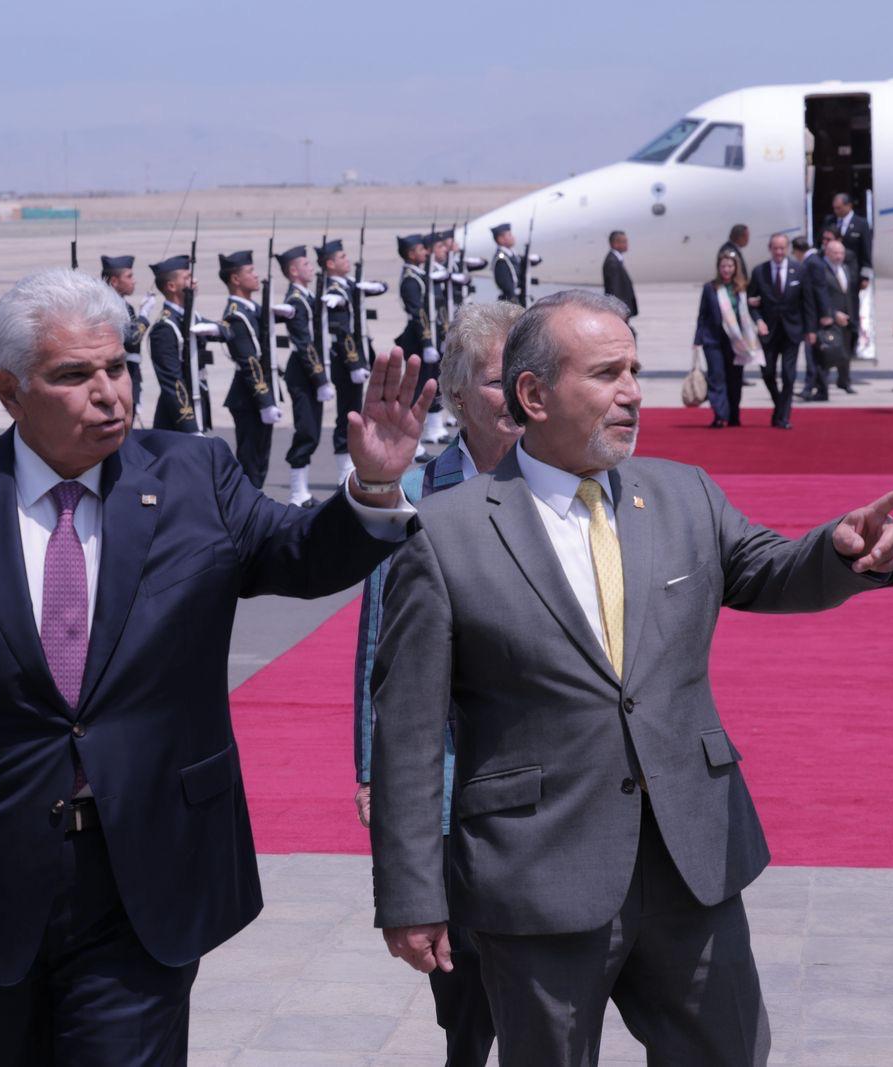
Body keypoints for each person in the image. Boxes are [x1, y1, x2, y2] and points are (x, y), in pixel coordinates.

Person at [0, 268, 430, 1065]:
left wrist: (374, 483)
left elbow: (301, 552)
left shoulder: (193, 474)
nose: (108, 392)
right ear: (10, 392)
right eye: (74, 374)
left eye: (116, 366)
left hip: (143, 871)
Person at [370, 288, 893, 1065]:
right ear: (534, 394)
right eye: (606, 373)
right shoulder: (446, 535)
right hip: (539, 877)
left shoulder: (684, 493)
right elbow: (408, 732)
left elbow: (770, 567)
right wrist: (411, 893)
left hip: (693, 862)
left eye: (633, 369)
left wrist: (841, 550)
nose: (632, 391)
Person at [353, 301, 523, 1067]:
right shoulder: (418, 494)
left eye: (528, 376)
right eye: (496, 380)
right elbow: (377, 647)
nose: (517, 394)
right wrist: (372, 770)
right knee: (461, 983)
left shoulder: (563, 488)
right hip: (450, 772)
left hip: (543, 770)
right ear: (456, 395)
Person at [320, 238, 387, 482]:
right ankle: (343, 470)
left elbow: (382, 287)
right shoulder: (332, 292)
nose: (347, 260)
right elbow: (341, 333)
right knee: (347, 413)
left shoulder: (349, 285)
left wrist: (372, 286)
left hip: (359, 358)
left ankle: (353, 462)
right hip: (345, 362)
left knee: (356, 410)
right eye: (342, 257)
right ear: (330, 264)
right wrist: (354, 364)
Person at [277, 244, 335, 507]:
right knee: (306, 430)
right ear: (293, 271)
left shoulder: (308, 297)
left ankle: (302, 492)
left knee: (312, 432)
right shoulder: (295, 301)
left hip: (312, 371)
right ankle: (297, 493)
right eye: (306, 264)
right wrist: (320, 378)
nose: (311, 267)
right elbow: (304, 343)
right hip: (303, 374)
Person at [219, 250, 282, 489]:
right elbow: (249, 363)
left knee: (260, 460)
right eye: (250, 271)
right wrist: (265, 401)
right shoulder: (236, 316)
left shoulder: (252, 309)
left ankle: (254, 504)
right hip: (249, 397)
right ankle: (245, 508)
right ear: (236, 279)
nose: (256, 276)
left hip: (258, 394)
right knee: (250, 463)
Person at [147, 254, 216, 433]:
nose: (194, 281)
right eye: (187, 277)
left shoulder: (191, 316)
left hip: (198, 398)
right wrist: (189, 426)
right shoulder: (165, 328)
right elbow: (172, 382)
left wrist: (217, 330)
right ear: (171, 286)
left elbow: (228, 331)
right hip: (177, 418)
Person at [694, 250, 762, 428]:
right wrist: (698, 339)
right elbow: (702, 315)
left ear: (735, 267)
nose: (726, 269)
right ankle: (719, 415)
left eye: (730, 266)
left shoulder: (742, 288)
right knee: (716, 378)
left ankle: (733, 414)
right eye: (723, 266)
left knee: (734, 380)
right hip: (713, 340)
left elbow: (751, 309)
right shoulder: (710, 288)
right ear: (718, 267)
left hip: (737, 341)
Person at [746, 232, 806, 428]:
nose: (779, 252)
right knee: (767, 372)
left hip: (791, 331)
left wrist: (810, 329)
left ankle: (784, 416)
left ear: (787, 249)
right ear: (770, 249)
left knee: (789, 375)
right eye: (775, 248)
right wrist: (758, 320)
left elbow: (807, 301)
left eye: (782, 248)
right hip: (768, 332)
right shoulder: (759, 272)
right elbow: (750, 302)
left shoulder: (799, 270)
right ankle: (779, 405)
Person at [396, 233, 449, 445]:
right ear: (410, 254)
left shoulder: (422, 274)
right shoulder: (410, 279)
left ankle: (434, 429)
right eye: (421, 249)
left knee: (433, 382)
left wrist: (443, 335)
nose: (426, 253)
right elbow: (418, 312)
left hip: (431, 337)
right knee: (417, 389)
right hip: (418, 339)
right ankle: (410, 440)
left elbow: (437, 306)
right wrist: (427, 343)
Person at [101, 255, 157, 413]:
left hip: (130, 373)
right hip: (115, 375)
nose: (134, 281)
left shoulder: (125, 306)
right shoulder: (107, 307)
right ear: (114, 281)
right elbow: (131, 339)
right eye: (129, 276)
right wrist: (144, 316)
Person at [797, 235, 834, 402]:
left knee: (814, 355)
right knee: (814, 355)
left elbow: (820, 289)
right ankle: (815, 388)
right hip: (813, 314)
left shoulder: (811, 263)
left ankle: (813, 388)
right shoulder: (813, 261)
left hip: (814, 316)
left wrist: (825, 314)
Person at [821, 236, 861, 395]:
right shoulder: (822, 270)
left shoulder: (845, 268)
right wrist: (833, 313)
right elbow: (822, 296)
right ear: (827, 253)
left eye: (841, 253)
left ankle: (844, 380)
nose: (839, 256)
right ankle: (822, 384)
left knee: (845, 352)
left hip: (847, 318)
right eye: (835, 253)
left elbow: (849, 294)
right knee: (828, 351)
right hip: (830, 317)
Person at [825, 193, 873, 282]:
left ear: (849, 206)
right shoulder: (829, 221)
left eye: (839, 208)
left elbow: (866, 250)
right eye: (834, 208)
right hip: (832, 270)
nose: (836, 211)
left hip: (853, 270)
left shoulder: (861, 223)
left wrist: (865, 277)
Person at [601, 231, 637, 319]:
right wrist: (619, 312)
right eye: (624, 242)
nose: (627, 245)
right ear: (615, 244)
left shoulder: (616, 259)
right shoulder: (612, 262)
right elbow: (614, 290)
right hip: (620, 311)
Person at [491, 222, 524, 305]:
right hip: (510, 300)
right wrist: (513, 299)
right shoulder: (501, 259)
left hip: (519, 297)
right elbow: (505, 283)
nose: (513, 237)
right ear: (500, 239)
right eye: (509, 235)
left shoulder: (512, 255)